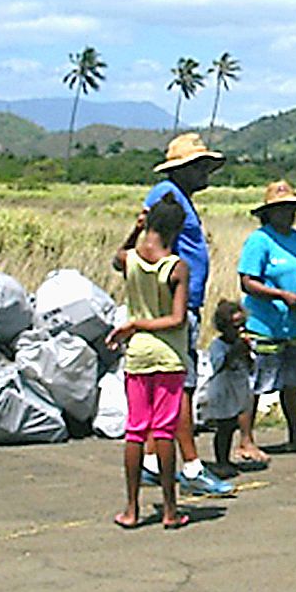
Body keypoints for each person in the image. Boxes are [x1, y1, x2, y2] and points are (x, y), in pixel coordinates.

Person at [130, 133, 235, 497]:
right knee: (180, 386)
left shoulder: (178, 197)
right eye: (199, 166)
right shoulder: (167, 196)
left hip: (184, 303)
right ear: (182, 170)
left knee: (171, 384)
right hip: (176, 304)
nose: (205, 173)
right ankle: (191, 465)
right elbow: (152, 245)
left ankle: (151, 462)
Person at [105, 194, 191, 530]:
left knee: (135, 430)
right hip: (167, 355)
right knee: (164, 430)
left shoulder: (130, 260)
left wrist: (135, 229)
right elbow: (177, 319)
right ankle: (170, 509)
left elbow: (118, 257)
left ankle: (131, 508)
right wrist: (139, 324)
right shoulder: (176, 267)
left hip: (138, 354)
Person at [238, 180, 296, 453]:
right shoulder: (259, 240)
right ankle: (246, 440)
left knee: (293, 382)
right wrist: (281, 295)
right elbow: (248, 282)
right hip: (265, 322)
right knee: (257, 383)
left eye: (291, 208)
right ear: (269, 212)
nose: (287, 214)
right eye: (281, 209)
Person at [198, 299, 259, 474]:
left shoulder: (245, 343)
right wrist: (234, 352)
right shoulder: (218, 345)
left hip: (238, 389)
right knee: (224, 427)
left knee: (232, 425)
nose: (240, 330)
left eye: (243, 325)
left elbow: (251, 367)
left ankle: (226, 459)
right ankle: (221, 461)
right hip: (223, 391)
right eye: (235, 327)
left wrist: (247, 353)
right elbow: (218, 366)